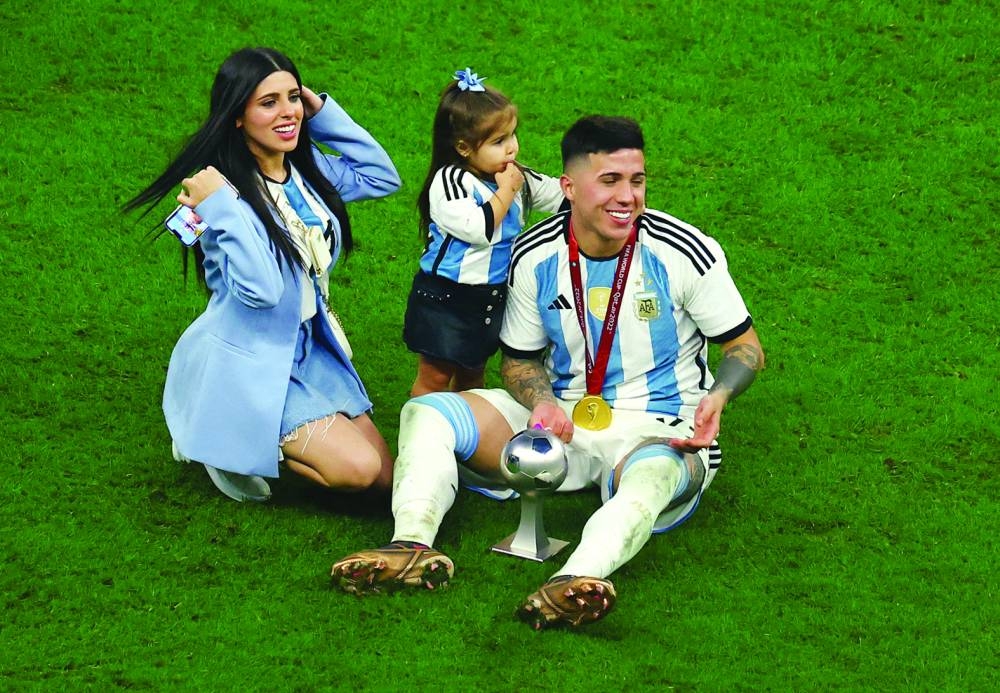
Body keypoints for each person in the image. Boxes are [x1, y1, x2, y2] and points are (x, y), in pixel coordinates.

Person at [331, 115, 765, 630]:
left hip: (659, 426)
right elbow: (519, 358)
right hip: (560, 426)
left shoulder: (683, 250)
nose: (627, 197)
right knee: (427, 411)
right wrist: (540, 402)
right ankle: (411, 545)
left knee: (650, 478)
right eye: (610, 181)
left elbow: (745, 347)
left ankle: (575, 581)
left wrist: (718, 395)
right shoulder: (535, 253)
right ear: (569, 187)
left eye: (637, 180)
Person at [123, 47, 402, 502]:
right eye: (268, 103)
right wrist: (220, 206)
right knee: (360, 469)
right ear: (237, 116)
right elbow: (265, 291)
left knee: (384, 478)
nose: (287, 111)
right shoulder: (221, 198)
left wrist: (320, 111)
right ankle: (227, 441)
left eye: (292, 97)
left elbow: (381, 176)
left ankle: (244, 437)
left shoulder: (307, 176)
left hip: (311, 350)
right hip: (251, 361)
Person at [402, 68, 566, 396]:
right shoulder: (450, 182)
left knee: (472, 378)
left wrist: (590, 195)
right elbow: (477, 228)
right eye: (499, 141)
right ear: (464, 148)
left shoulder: (511, 175)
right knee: (434, 379)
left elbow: (557, 194)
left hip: (490, 297)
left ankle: (465, 440)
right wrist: (506, 192)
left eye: (513, 135)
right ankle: (419, 439)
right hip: (446, 297)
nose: (512, 149)